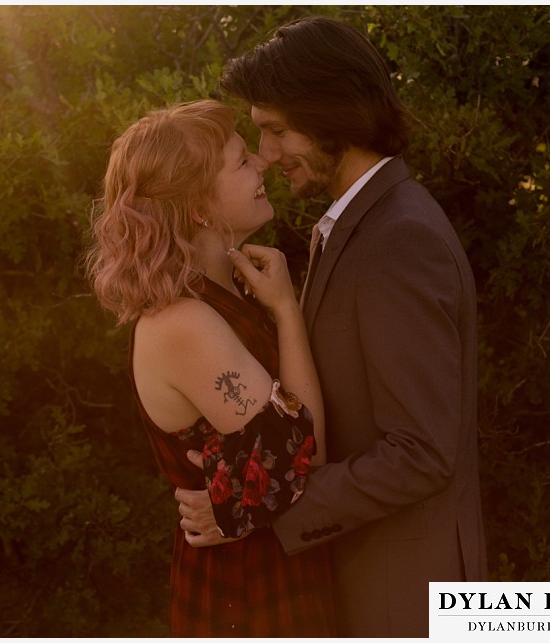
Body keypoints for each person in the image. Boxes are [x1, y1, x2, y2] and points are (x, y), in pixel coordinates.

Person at [174, 16, 488, 638]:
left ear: (333, 115)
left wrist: (254, 506)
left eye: (277, 132)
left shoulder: (399, 239)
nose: (265, 156)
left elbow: (422, 454)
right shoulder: (364, 222)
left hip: (402, 599)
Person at [86, 99, 336, 636]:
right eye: (241, 162)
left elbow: (281, 461)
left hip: (275, 565)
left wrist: (239, 499)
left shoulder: (232, 293)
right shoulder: (182, 322)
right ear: (199, 205)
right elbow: (306, 451)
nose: (262, 164)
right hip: (246, 595)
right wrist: (288, 313)